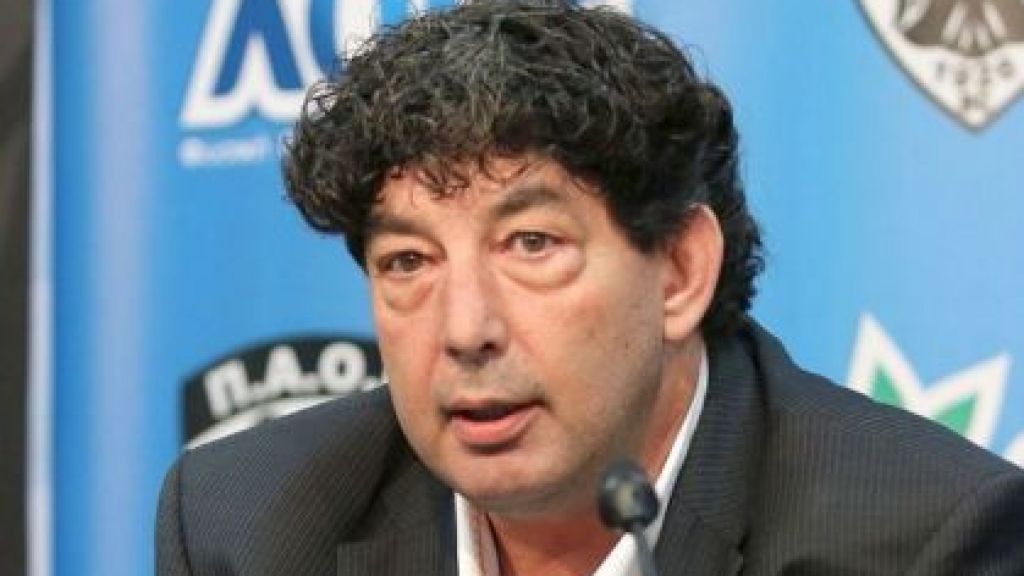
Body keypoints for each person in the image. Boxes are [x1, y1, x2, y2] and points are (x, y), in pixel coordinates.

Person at [156, 1, 1024, 574]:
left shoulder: (921, 542)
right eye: (409, 262)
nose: (465, 330)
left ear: (679, 271)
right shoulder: (250, 528)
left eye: (532, 245)